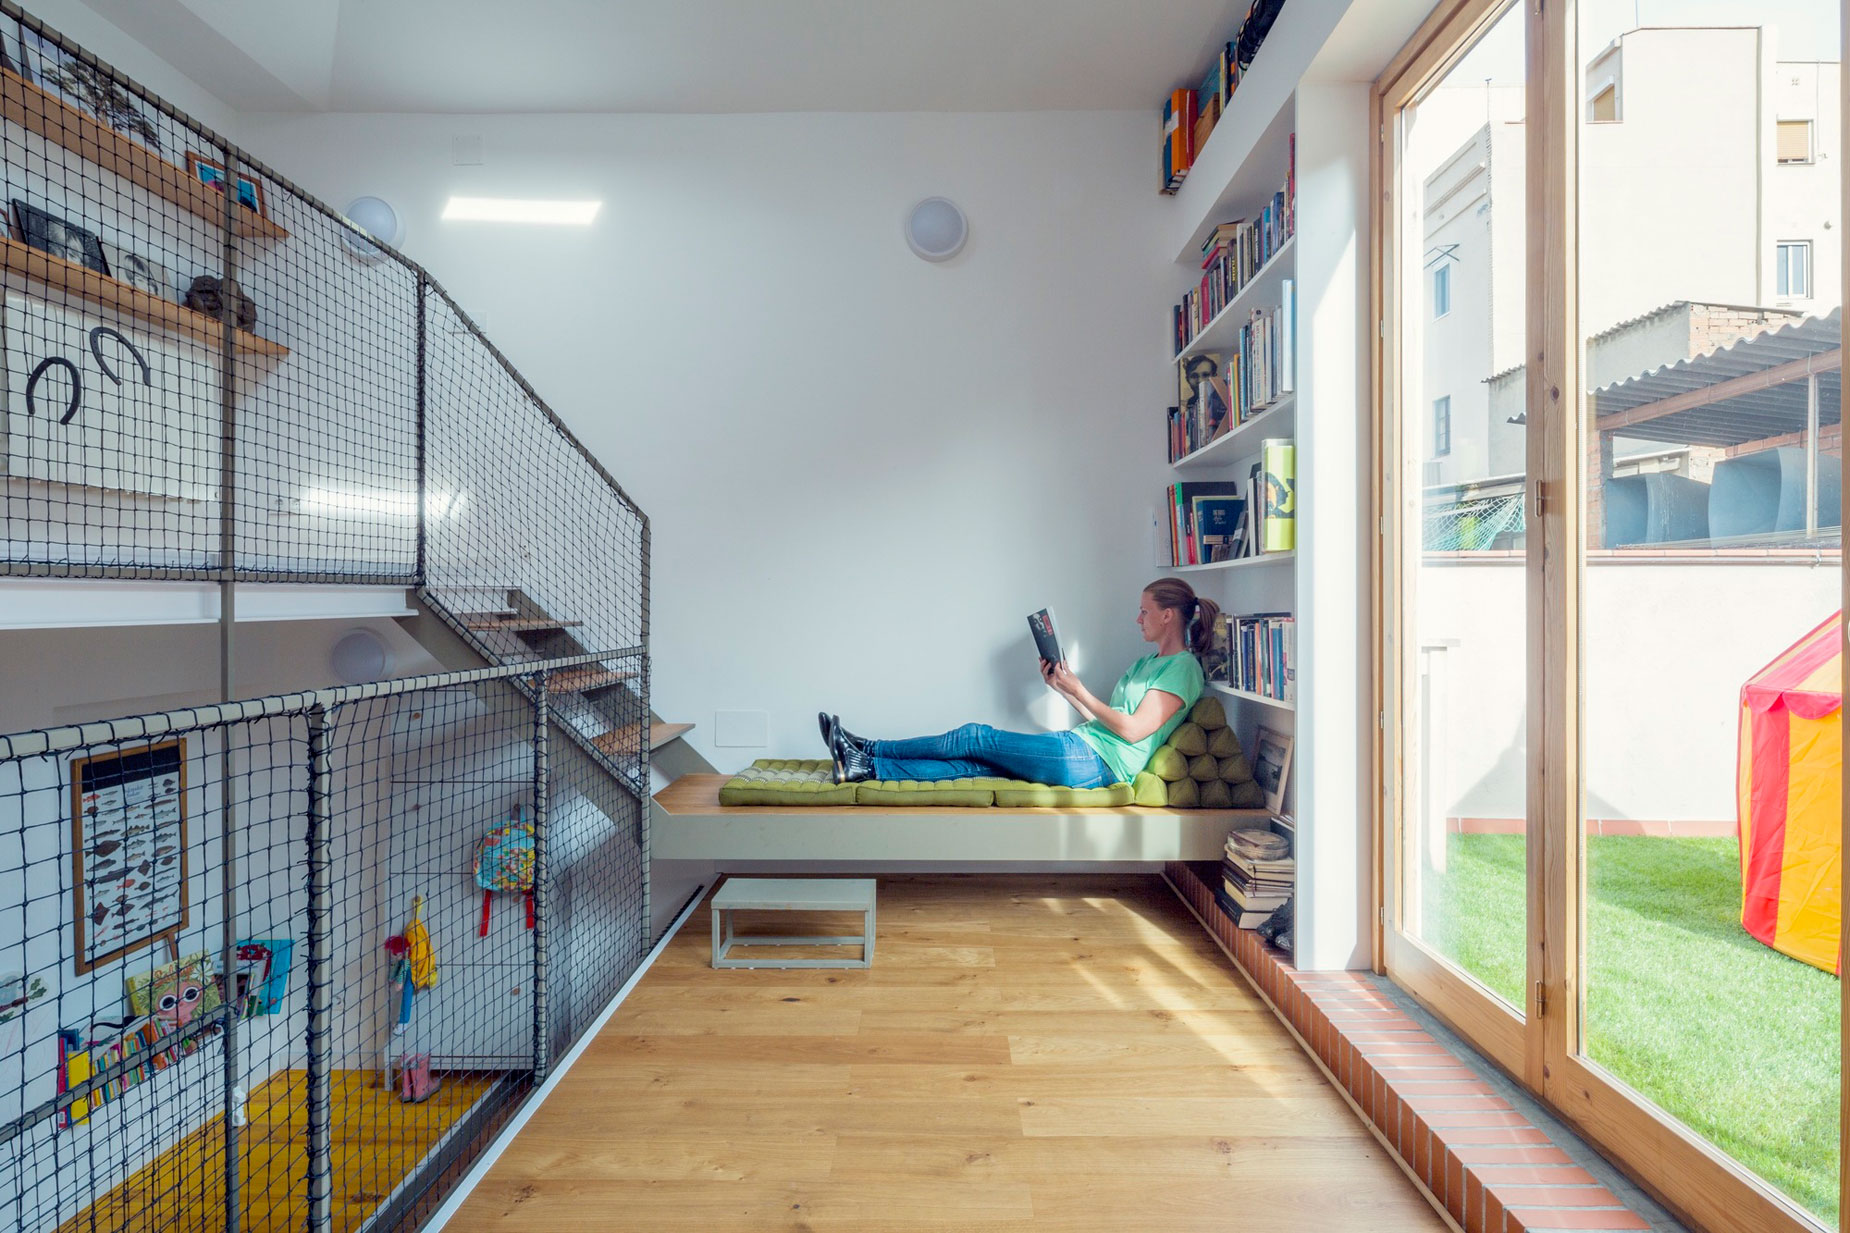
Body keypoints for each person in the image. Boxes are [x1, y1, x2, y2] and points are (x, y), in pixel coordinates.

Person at [823, 578, 1218, 787]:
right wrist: (1063, 688)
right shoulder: (1144, 663)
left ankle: (868, 748)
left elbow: (1132, 731)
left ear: (1168, 616)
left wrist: (1079, 689)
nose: (1138, 618)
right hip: (1087, 748)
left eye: (1144, 611)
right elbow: (1109, 721)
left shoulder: (1182, 668)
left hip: (1096, 763)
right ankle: (863, 768)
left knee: (974, 737)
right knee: (970, 764)